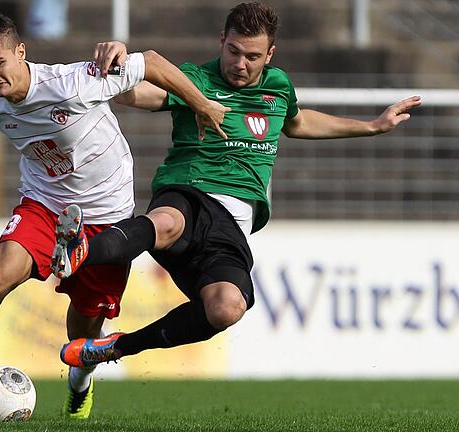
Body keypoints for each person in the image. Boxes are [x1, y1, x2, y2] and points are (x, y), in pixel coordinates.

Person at [0, 13, 228, 422]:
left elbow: (152, 61)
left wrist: (203, 104)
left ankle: (79, 386)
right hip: (44, 205)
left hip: (107, 216)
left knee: (82, 333)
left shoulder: (74, 82)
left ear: (21, 52)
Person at [55, 2, 422, 369]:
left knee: (226, 308)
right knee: (166, 222)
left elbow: (298, 123)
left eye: (252, 56)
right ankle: (78, 249)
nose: (240, 64)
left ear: (270, 54)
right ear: (221, 41)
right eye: (233, 51)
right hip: (188, 191)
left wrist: (372, 126)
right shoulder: (194, 81)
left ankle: (117, 347)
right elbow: (132, 94)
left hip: (231, 227)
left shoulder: (278, 87)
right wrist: (114, 65)